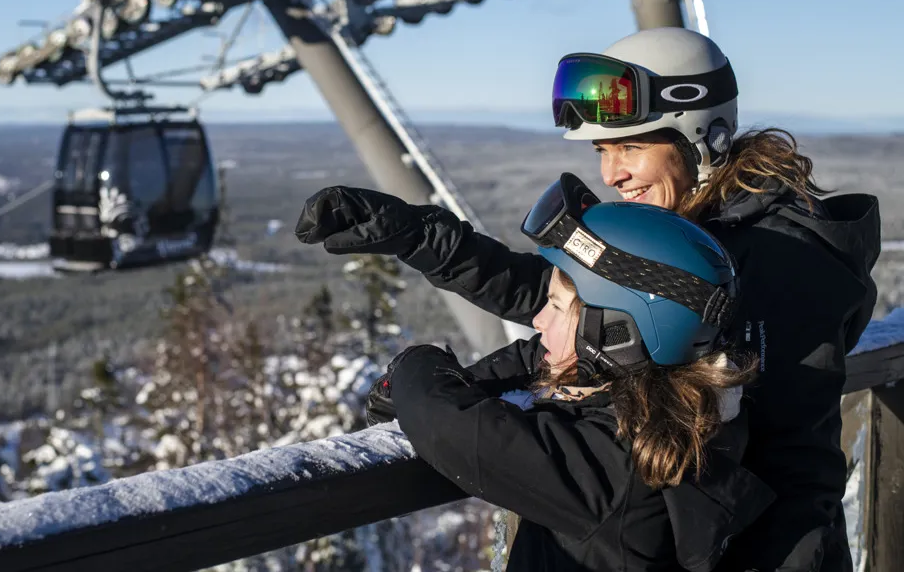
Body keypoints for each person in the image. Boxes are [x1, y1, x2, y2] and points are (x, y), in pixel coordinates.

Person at [294, 28, 881, 571]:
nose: (613, 174)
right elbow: (580, 307)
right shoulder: (699, 235)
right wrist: (424, 239)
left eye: (630, 148)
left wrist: (441, 390)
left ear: (702, 137)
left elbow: (799, 470)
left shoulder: (778, 265)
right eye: (602, 151)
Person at [316, 175, 776, 572]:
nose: (539, 321)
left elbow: (455, 430)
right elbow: (540, 358)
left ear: (616, 333)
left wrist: (414, 365)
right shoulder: (667, 406)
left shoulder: (615, 469)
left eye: (555, 306)